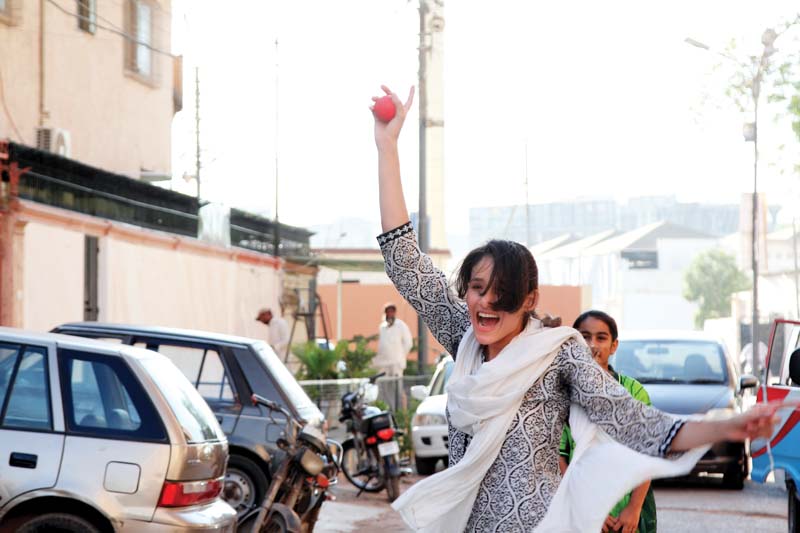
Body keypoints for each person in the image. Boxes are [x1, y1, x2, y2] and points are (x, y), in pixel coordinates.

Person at [371, 85, 785, 533]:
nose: (485, 303)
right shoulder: (465, 339)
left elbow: (632, 420)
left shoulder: (558, 354)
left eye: (501, 294)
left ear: (529, 300)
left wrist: (723, 429)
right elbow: (405, 261)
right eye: (476, 289)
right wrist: (387, 147)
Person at [559, 310, 656, 533]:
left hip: (626, 511)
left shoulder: (633, 392)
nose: (593, 344)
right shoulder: (563, 393)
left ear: (614, 346)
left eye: (601, 338)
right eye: (585, 336)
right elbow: (559, 456)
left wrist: (634, 507)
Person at [374, 302, 413, 377]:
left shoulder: (401, 325)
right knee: (384, 384)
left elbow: (408, 343)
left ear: (394, 312)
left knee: (396, 385)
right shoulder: (382, 326)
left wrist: (401, 355)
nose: (390, 313)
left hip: (396, 362)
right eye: (388, 311)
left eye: (392, 311)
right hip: (384, 362)